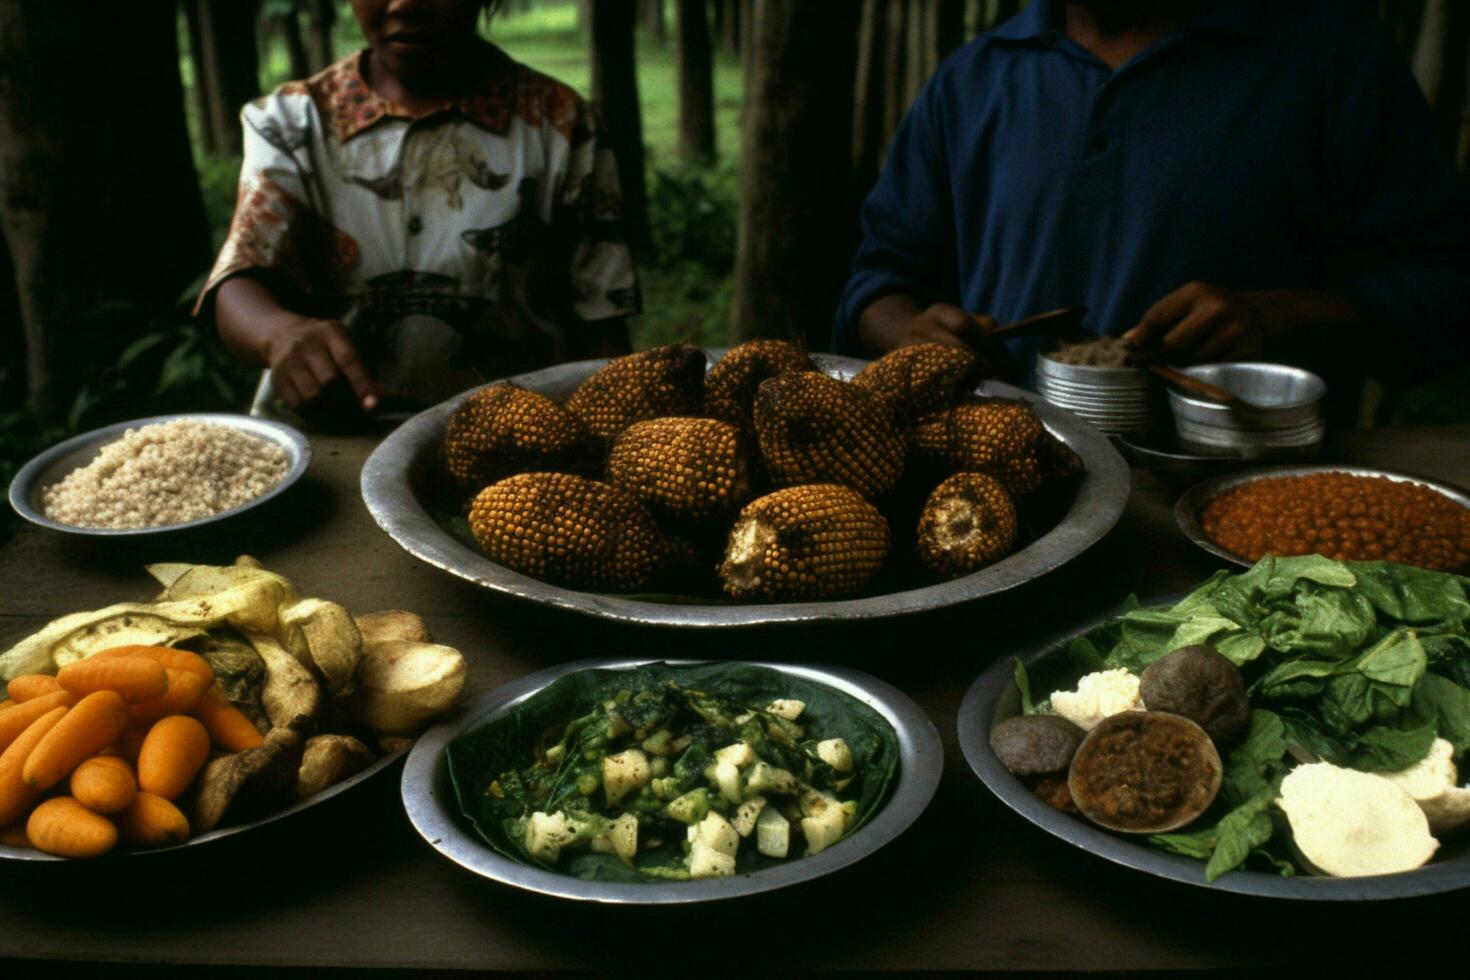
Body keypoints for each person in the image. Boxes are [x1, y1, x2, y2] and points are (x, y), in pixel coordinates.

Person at [834, 0, 1470, 401]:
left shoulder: (1327, 57)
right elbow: (875, 288)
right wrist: (913, 335)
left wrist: (1276, 316)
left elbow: (1444, 289)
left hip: (1247, 512)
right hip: (1010, 503)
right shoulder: (973, 81)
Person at [199, 0, 639, 419]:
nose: (405, 4)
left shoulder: (559, 124)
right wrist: (279, 334)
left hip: (513, 459)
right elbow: (240, 279)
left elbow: (600, 323)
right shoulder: (291, 123)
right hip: (334, 446)